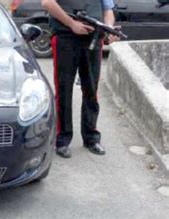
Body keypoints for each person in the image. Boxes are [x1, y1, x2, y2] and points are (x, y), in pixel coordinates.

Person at [41, 0, 119, 158]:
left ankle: (91, 138)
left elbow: (108, 10)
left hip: (94, 39)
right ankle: (62, 140)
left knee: (91, 90)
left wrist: (109, 28)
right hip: (65, 38)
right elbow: (47, 3)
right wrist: (72, 24)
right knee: (64, 90)